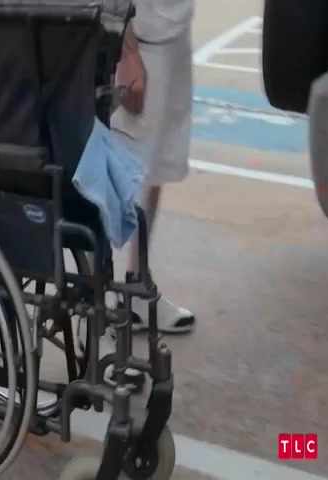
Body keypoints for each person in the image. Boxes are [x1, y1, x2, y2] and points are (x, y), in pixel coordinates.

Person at [112, 0, 196, 334]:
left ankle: (136, 289)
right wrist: (127, 52)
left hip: (173, 30)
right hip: (139, 39)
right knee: (124, 176)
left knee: (159, 164)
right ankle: (95, 316)